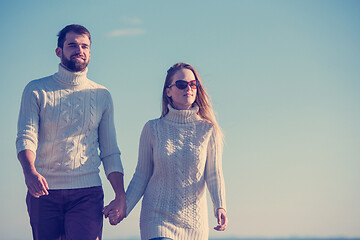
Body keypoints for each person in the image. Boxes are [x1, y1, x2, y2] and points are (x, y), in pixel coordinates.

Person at [16, 24, 126, 240]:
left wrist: (120, 195)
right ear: (59, 51)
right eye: (72, 45)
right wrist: (29, 172)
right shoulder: (36, 89)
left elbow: (110, 150)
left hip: (87, 193)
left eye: (85, 46)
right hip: (43, 191)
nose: (79, 50)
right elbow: (26, 137)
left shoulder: (102, 95)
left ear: (90, 52)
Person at [111, 62, 228, 240]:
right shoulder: (152, 128)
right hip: (157, 219)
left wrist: (220, 205)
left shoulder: (208, 130)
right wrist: (124, 207)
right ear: (168, 91)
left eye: (193, 84)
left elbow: (214, 174)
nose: (188, 88)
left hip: (194, 224)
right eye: (181, 84)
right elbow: (142, 175)